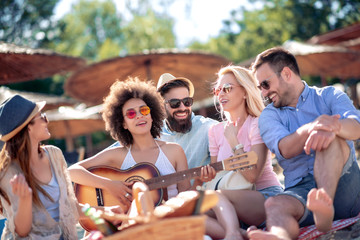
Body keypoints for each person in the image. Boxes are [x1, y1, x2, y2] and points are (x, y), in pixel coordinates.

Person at [248, 47, 360, 240]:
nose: (264, 93)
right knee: (274, 205)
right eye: (260, 88)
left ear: (286, 73)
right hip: (302, 191)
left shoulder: (329, 95)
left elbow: (356, 127)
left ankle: (324, 209)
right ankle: (279, 237)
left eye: (266, 84)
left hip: (345, 185)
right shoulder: (268, 115)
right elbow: (284, 148)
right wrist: (313, 127)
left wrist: (332, 127)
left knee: (330, 137)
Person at [68, 77, 212, 211]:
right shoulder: (118, 154)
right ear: (123, 123)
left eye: (144, 110)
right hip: (133, 223)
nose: (139, 116)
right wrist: (109, 185)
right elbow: (71, 172)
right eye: (131, 114)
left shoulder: (174, 151)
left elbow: (186, 197)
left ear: (152, 115)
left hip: (170, 218)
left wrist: (199, 182)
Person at [204, 66, 283, 240]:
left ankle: (233, 235)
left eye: (227, 88)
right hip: (228, 199)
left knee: (215, 197)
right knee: (194, 213)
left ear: (245, 92)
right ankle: (245, 235)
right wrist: (208, 175)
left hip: (265, 197)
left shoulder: (257, 124)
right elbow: (218, 175)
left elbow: (252, 176)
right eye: (218, 90)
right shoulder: (214, 131)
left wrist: (234, 143)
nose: (220, 94)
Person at [0, 95, 79, 239]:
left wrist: (106, 211)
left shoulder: (55, 155)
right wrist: (25, 200)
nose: (46, 119)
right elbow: (22, 232)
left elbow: (70, 206)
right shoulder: (7, 173)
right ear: (27, 128)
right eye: (41, 116)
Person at [157, 73, 218, 170]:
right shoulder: (154, 137)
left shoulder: (209, 128)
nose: (182, 108)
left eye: (187, 102)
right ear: (161, 106)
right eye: (175, 103)